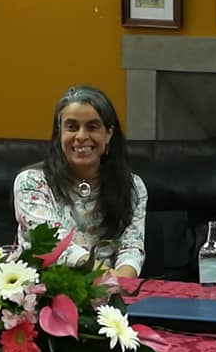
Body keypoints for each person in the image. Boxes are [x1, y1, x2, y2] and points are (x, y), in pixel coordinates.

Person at [13, 85, 147, 278]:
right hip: (44, 291)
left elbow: (132, 247)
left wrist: (122, 285)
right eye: (72, 127)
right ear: (60, 133)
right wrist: (105, 279)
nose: (81, 136)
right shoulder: (31, 182)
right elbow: (54, 244)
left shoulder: (133, 186)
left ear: (109, 134)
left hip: (109, 292)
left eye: (92, 127)